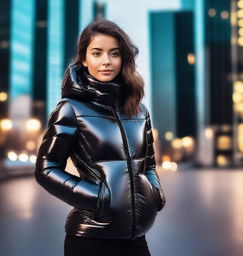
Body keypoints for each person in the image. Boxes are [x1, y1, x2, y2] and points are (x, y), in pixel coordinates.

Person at [34, 18, 166, 256]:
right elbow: (46, 168)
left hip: (136, 238)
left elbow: (149, 163)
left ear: (123, 58)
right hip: (91, 239)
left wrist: (155, 194)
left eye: (114, 54)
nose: (106, 61)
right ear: (84, 59)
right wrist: (98, 199)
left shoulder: (139, 110)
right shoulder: (70, 108)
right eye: (97, 53)